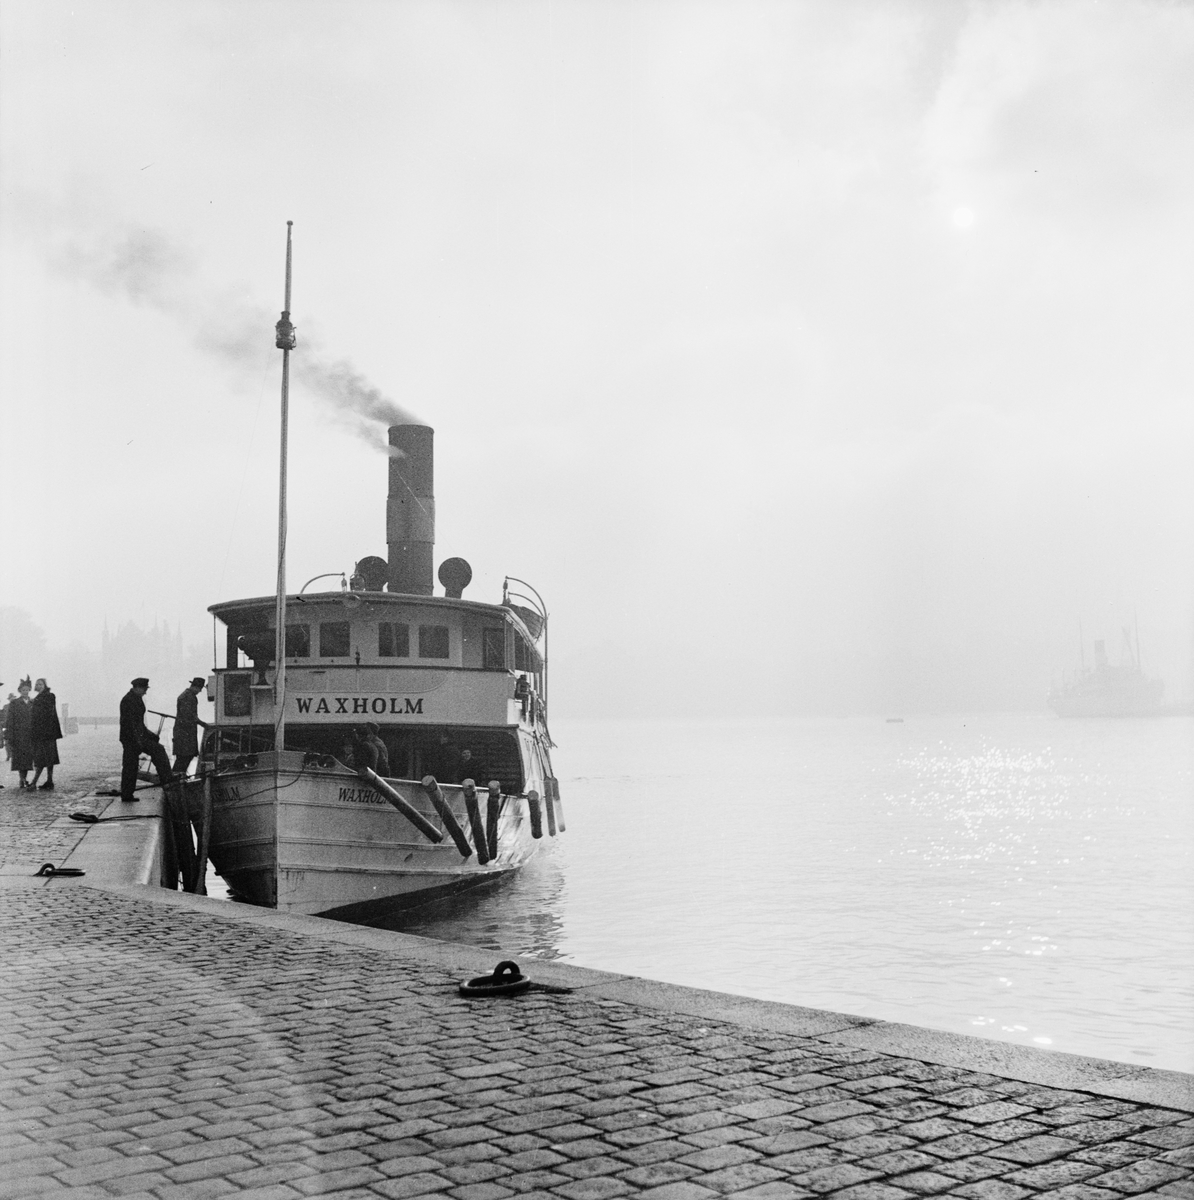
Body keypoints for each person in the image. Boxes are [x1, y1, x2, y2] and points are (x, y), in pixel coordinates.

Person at [119, 677, 173, 801]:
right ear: (137, 687)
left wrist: (151, 736)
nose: (145, 692)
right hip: (131, 738)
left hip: (136, 737)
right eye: (144, 689)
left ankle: (166, 780)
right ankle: (167, 781)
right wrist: (140, 741)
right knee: (131, 766)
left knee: (132, 765)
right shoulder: (128, 700)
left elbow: (139, 724)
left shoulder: (136, 698)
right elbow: (131, 724)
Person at [28, 678, 63, 791]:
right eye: (37, 684)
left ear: (45, 685)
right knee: (48, 758)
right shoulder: (38, 698)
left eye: (41, 684)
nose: (39, 686)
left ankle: (34, 782)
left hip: (46, 733)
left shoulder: (49, 696)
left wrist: (34, 703)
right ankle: (49, 780)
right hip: (42, 733)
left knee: (43, 758)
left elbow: (45, 712)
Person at [172, 677, 209, 778]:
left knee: (184, 756)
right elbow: (190, 716)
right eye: (200, 689)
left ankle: (177, 778)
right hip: (185, 733)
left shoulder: (186, 695)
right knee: (185, 757)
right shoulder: (188, 697)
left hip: (184, 732)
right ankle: (175, 779)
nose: (200, 691)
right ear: (196, 687)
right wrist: (203, 724)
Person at [4, 679, 34, 789]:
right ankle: (22, 778)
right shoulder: (14, 703)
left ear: (29, 690)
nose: (25, 692)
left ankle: (24, 778)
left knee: (28, 758)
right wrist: (9, 735)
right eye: (23, 690)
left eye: (27, 690)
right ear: (20, 691)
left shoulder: (32, 703)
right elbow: (10, 720)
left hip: (29, 735)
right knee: (20, 758)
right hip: (18, 735)